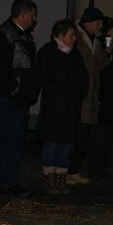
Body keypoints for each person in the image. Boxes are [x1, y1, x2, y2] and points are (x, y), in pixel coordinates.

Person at [0, 0, 40, 197]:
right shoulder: (3, 35)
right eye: (33, 15)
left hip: (19, 100)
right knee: (1, 142)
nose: (35, 20)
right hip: (5, 100)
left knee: (15, 143)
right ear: (23, 14)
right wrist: (15, 89)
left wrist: (28, 92)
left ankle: (10, 182)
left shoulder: (24, 36)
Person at [37, 20, 88, 195]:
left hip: (71, 109)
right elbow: (45, 78)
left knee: (66, 146)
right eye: (71, 35)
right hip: (53, 108)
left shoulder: (75, 55)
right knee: (51, 144)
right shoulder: (47, 52)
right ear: (60, 35)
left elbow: (83, 79)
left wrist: (77, 93)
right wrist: (59, 91)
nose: (74, 38)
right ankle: (48, 179)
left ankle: (60, 179)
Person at [68, 7, 109, 185]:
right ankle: (67, 171)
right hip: (80, 97)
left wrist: (104, 47)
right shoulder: (76, 36)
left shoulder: (95, 40)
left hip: (91, 99)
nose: (100, 27)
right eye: (98, 23)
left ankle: (75, 170)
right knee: (76, 136)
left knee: (85, 137)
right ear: (89, 22)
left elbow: (102, 64)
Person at [89, 17, 113, 178]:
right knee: (98, 135)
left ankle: (101, 167)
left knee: (106, 136)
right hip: (101, 97)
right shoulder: (101, 46)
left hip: (111, 98)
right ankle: (95, 167)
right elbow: (102, 68)